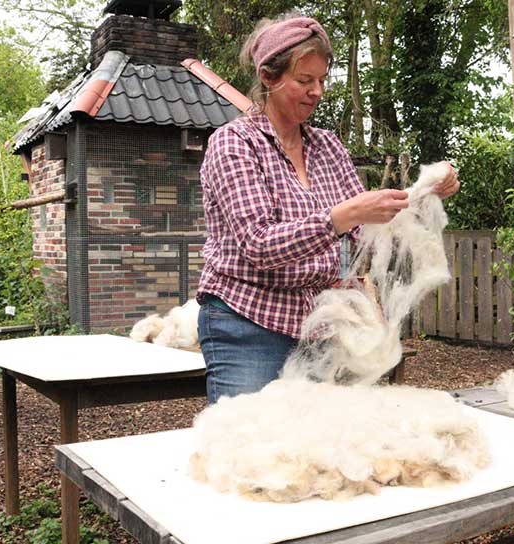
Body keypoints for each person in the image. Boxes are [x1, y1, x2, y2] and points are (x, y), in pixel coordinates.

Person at [196, 13, 460, 404]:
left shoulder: (327, 147)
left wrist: (425, 197)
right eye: (304, 81)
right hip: (246, 322)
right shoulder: (234, 144)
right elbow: (260, 245)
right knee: (249, 450)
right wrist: (343, 215)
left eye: (322, 81)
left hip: (316, 324)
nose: (316, 91)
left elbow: (368, 232)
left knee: (310, 449)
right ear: (269, 77)